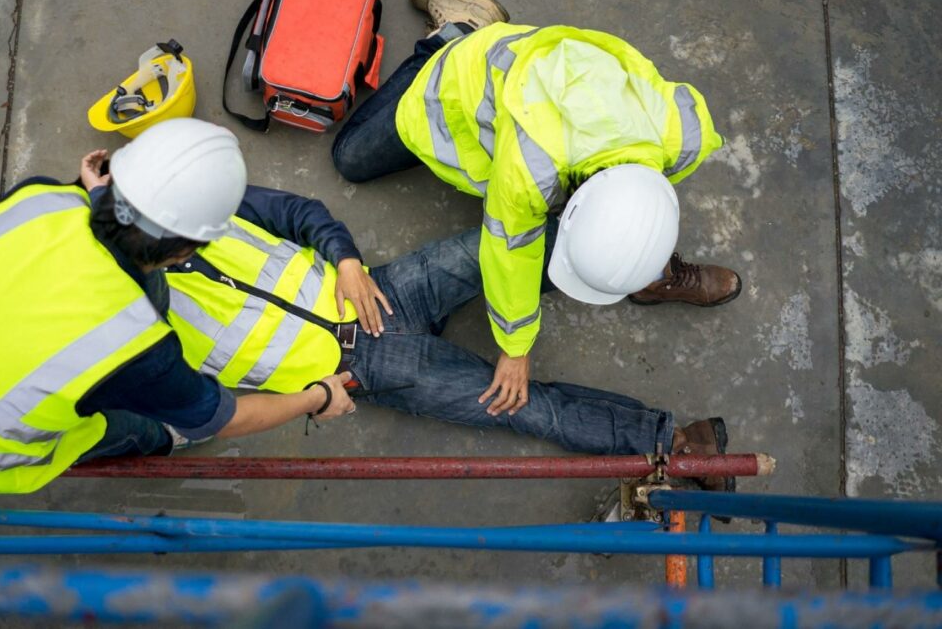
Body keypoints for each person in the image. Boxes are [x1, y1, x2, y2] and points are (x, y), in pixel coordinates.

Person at [103, 177, 733, 491]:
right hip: (367, 367)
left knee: (508, 247)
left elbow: (297, 214)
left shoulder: (192, 204)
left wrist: (345, 259)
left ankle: (640, 272)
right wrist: (316, 399)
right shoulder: (136, 339)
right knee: (518, 404)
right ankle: (672, 443)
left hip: (382, 288)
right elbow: (202, 417)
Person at [0, 119, 354, 499]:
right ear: (183, 253)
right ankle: (160, 439)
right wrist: (316, 397)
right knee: (130, 424)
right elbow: (226, 418)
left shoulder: (39, 197)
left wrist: (95, 198)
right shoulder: (136, 343)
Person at [331, 0, 742, 422]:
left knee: (602, 234)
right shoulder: (530, 169)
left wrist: (640, 247)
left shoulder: (685, 133)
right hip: (457, 85)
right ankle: (458, 30)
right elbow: (509, 253)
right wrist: (516, 348)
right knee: (351, 158)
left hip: (539, 89)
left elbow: (646, 201)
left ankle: (650, 275)